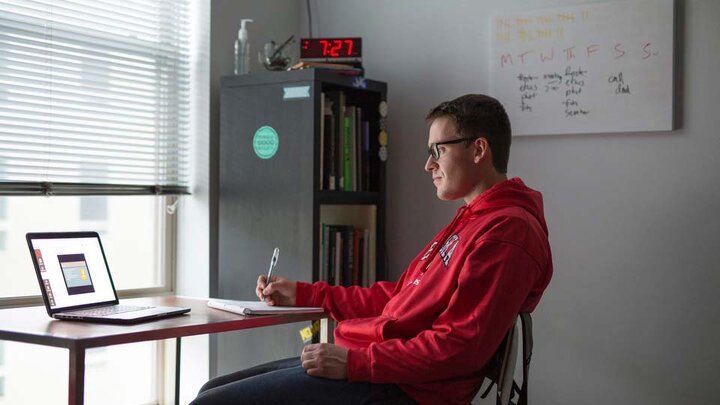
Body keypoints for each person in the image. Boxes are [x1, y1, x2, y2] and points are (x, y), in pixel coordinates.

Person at [191, 94, 553, 405]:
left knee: (211, 402)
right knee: (212, 388)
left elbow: (460, 347)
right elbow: (397, 299)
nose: (428, 164)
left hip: (403, 389)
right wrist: (304, 293)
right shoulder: (473, 219)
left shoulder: (508, 232)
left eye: (437, 151)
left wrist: (354, 364)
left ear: (478, 149)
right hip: (376, 366)